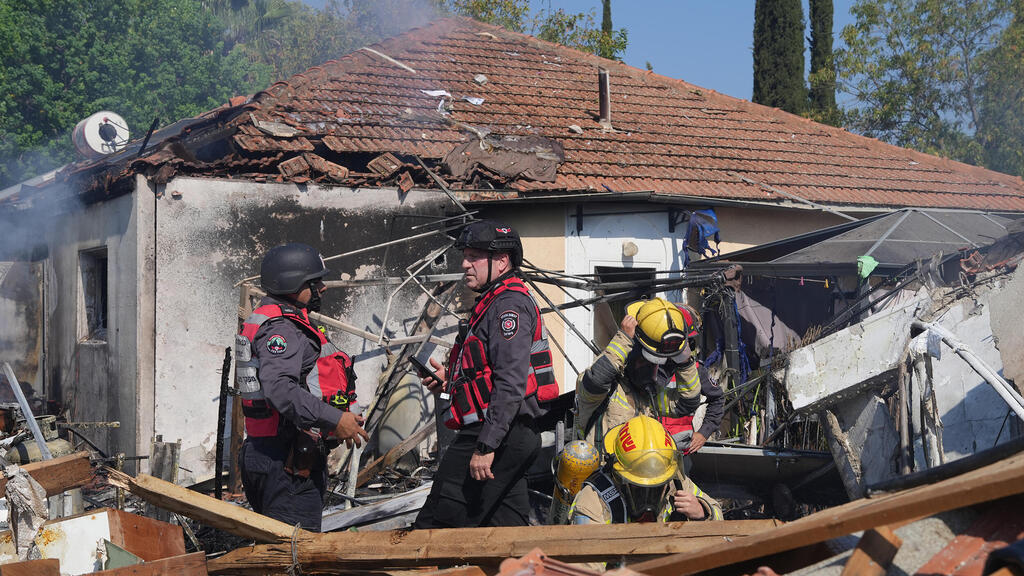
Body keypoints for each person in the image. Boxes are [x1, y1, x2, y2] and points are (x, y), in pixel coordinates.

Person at [414, 220, 558, 528]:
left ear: (502, 261)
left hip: (498, 434)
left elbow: (510, 382)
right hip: (505, 433)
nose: (465, 264)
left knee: (439, 522)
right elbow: (482, 379)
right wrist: (444, 386)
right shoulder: (491, 303)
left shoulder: (509, 307)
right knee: (504, 530)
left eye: (474, 256)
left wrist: (486, 447)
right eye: (465, 256)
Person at [235, 242, 368, 531]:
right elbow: (280, 389)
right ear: (293, 284)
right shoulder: (282, 327)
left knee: (278, 551)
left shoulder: (272, 319)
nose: (323, 287)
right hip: (287, 462)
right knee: (296, 556)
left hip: (270, 453)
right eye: (314, 281)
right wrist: (336, 419)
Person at [575, 297, 724, 457]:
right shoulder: (606, 390)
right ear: (631, 356)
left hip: (643, 473)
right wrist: (624, 338)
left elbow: (687, 404)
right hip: (602, 475)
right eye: (646, 361)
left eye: (656, 363)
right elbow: (597, 379)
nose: (653, 369)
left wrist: (685, 364)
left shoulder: (648, 397)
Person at [569, 415, 722, 524]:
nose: (648, 498)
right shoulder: (593, 500)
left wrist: (702, 511)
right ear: (618, 474)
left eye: (657, 486)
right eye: (639, 487)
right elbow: (588, 565)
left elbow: (718, 515)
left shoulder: (676, 482)